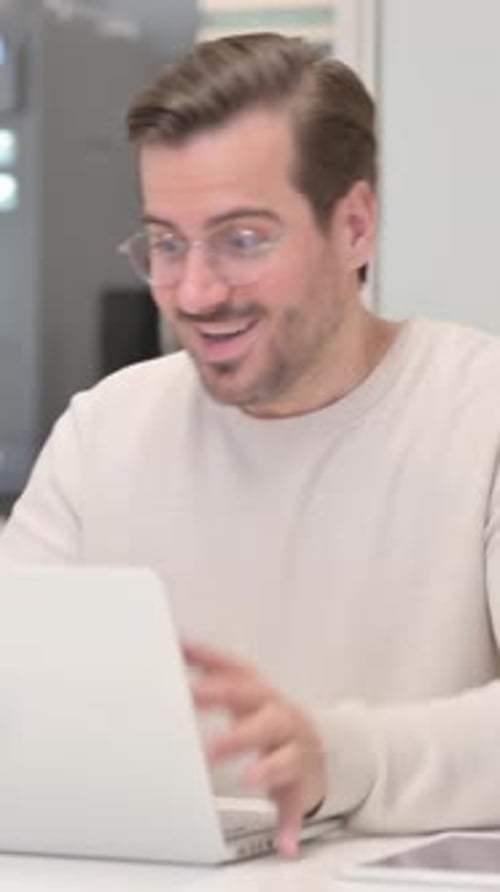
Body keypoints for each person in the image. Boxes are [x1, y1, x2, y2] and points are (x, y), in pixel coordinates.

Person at [2, 31, 500, 857]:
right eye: (165, 242)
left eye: (242, 239)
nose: (194, 292)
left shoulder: (479, 412)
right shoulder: (107, 430)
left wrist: (340, 757)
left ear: (355, 227)